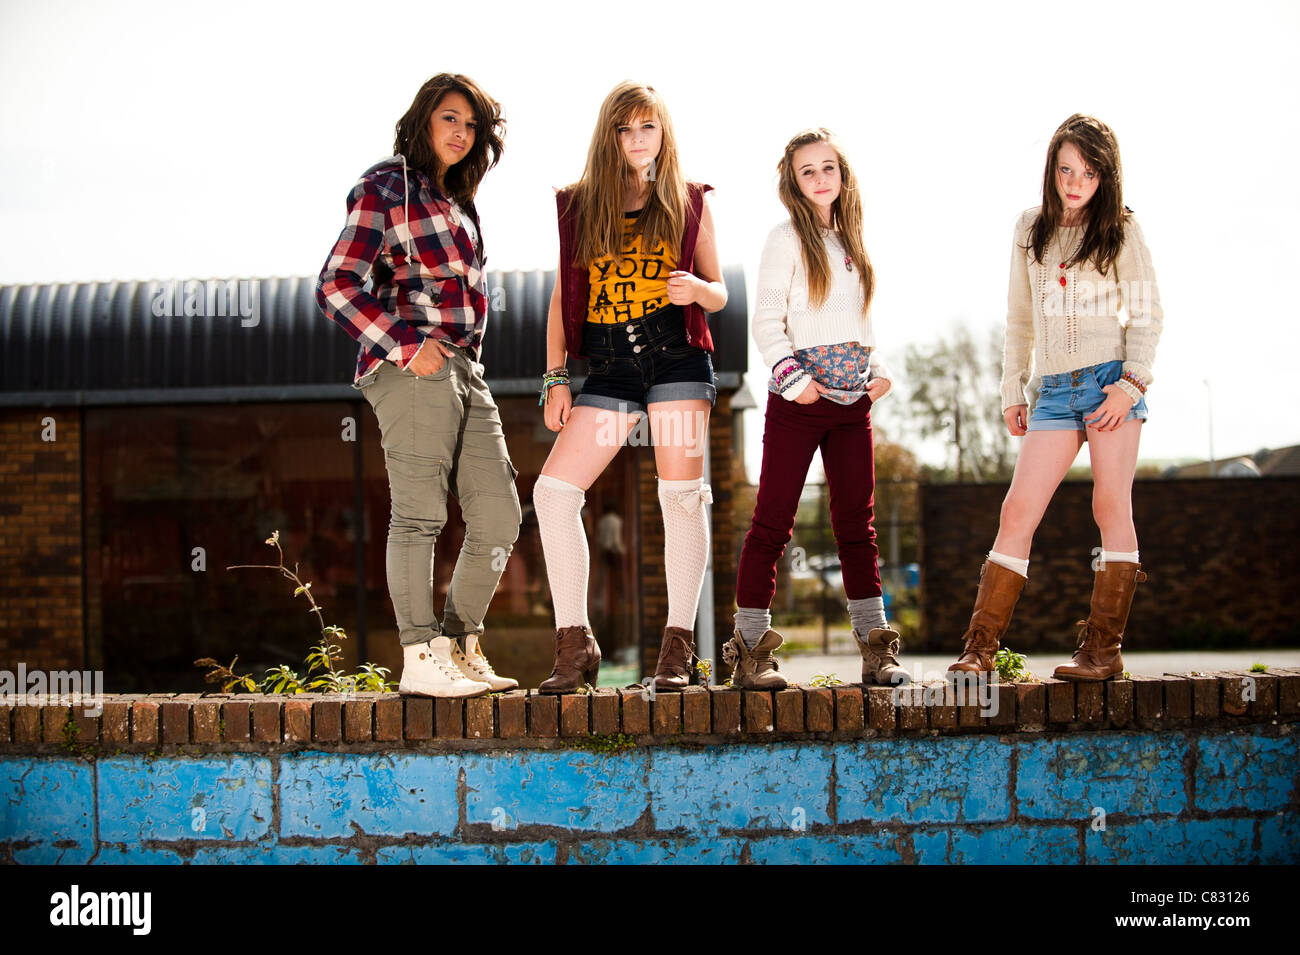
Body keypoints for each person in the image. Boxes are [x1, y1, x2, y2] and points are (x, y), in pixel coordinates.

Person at [315, 73, 521, 698]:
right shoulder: (384, 186)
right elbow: (335, 284)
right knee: (420, 515)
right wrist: (407, 347)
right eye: (449, 119)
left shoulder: (459, 199)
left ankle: (459, 644)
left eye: (471, 125)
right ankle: (420, 654)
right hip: (411, 367)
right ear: (423, 119)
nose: (460, 133)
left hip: (464, 366)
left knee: (499, 514)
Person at [947, 113, 1163, 682]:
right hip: (1052, 392)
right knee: (1017, 509)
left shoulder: (1122, 228)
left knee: (1110, 507)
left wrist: (1131, 383)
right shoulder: (1029, 227)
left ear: (1104, 177)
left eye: (1088, 174)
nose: (1075, 183)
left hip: (1110, 384)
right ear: (1052, 167)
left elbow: (1146, 313)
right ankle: (980, 650)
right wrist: (1012, 388)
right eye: (1066, 169)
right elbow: (1019, 318)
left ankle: (1101, 653)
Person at [534, 81, 727, 693]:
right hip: (611, 368)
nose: (637, 138)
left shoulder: (690, 200)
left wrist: (696, 290)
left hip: (675, 359)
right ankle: (575, 644)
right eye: (625, 128)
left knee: (681, 496)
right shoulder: (579, 203)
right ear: (609, 135)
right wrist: (556, 377)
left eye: (648, 126)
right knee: (554, 494)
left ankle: (676, 649)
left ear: (663, 132)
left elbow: (719, 291)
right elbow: (564, 297)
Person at [729, 128, 904, 690]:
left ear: (842, 176)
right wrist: (795, 381)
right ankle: (752, 651)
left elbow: (856, 321)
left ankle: (877, 652)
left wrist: (877, 371)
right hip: (799, 403)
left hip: (853, 403)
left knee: (858, 527)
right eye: (808, 171)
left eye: (829, 167)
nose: (820, 178)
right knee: (772, 523)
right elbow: (768, 322)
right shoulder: (784, 239)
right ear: (793, 182)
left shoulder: (854, 240)